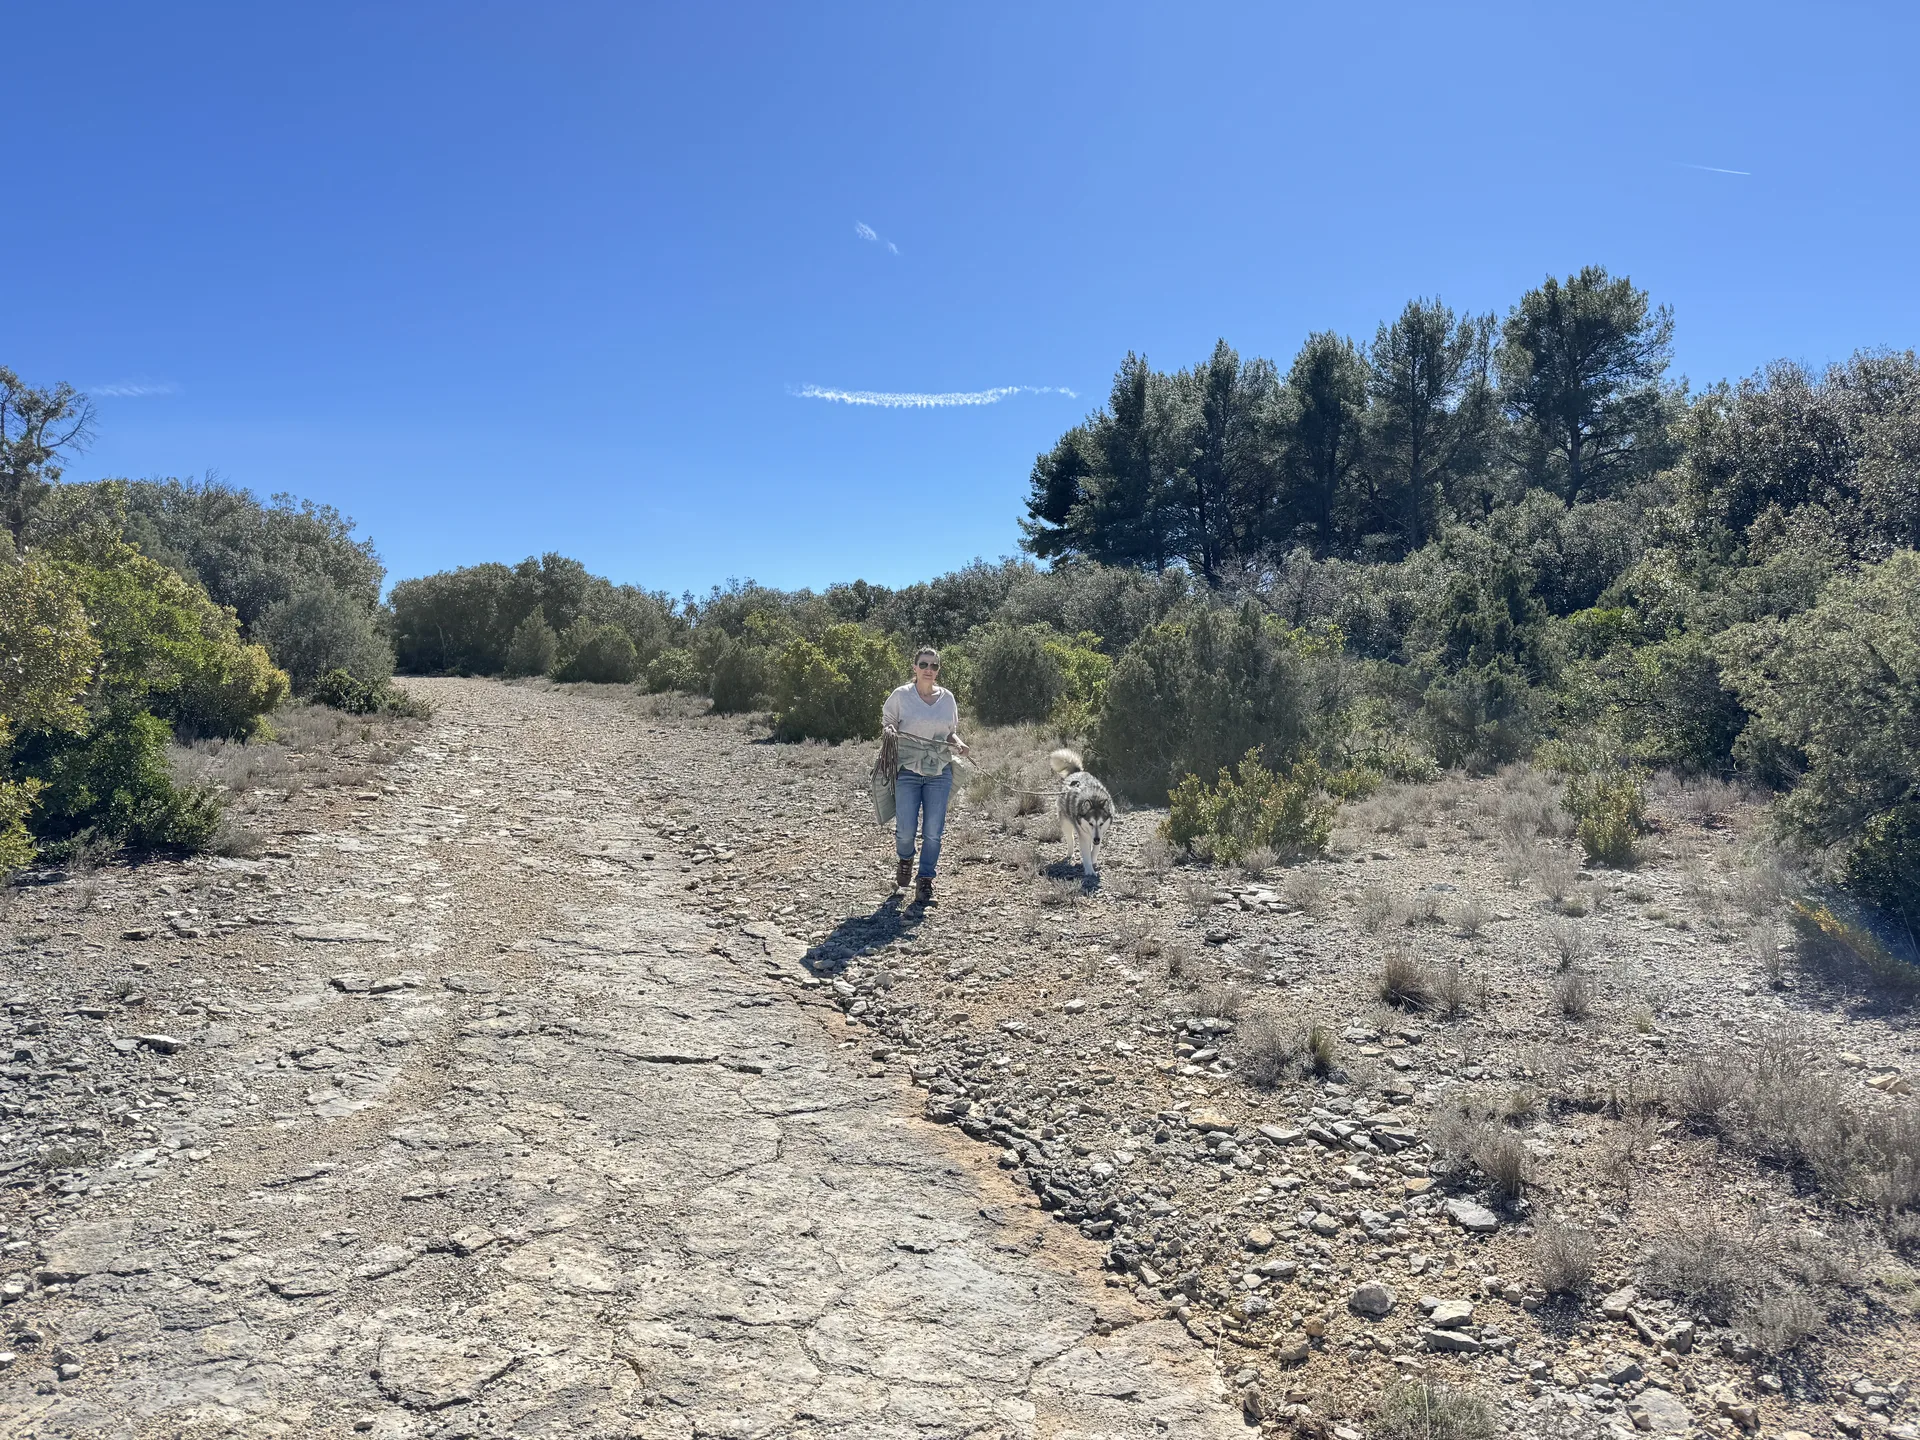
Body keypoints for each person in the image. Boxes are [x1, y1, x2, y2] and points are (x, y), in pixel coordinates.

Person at [881, 647, 969, 904]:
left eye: (934, 666)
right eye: (924, 664)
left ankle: (925, 881)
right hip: (908, 769)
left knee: (933, 831)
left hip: (939, 770)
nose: (929, 670)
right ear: (915, 668)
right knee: (905, 830)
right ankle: (906, 858)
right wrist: (890, 731)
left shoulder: (948, 698)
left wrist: (959, 743)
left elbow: (950, 732)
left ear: (938, 670)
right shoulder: (901, 695)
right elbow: (889, 721)